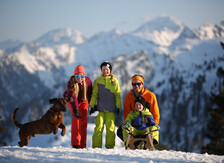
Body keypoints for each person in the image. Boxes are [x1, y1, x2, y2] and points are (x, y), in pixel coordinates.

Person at [117, 74, 160, 143]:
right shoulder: (128, 97)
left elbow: (155, 114)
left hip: (146, 125)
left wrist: (153, 125)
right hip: (134, 125)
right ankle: (131, 143)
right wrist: (129, 125)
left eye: (138, 84)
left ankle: (150, 142)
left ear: (142, 84)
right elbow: (126, 114)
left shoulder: (150, 96)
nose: (136, 86)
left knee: (155, 129)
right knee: (120, 131)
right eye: (134, 84)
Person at [89, 61, 121, 149]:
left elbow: (117, 95)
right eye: (103, 69)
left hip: (111, 109)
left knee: (110, 129)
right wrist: (92, 105)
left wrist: (118, 107)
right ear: (101, 70)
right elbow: (94, 94)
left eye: (107, 69)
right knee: (98, 128)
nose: (105, 71)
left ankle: (110, 147)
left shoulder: (115, 82)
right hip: (100, 109)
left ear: (110, 70)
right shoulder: (97, 81)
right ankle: (96, 147)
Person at [63, 65, 92, 148]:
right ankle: (76, 143)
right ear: (74, 76)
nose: (80, 78)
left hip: (83, 100)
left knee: (83, 120)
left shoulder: (88, 81)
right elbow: (73, 97)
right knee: (76, 119)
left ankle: (82, 145)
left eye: (82, 75)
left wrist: (92, 105)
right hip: (72, 100)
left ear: (84, 76)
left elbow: (90, 94)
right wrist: (75, 109)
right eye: (77, 76)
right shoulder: (71, 83)